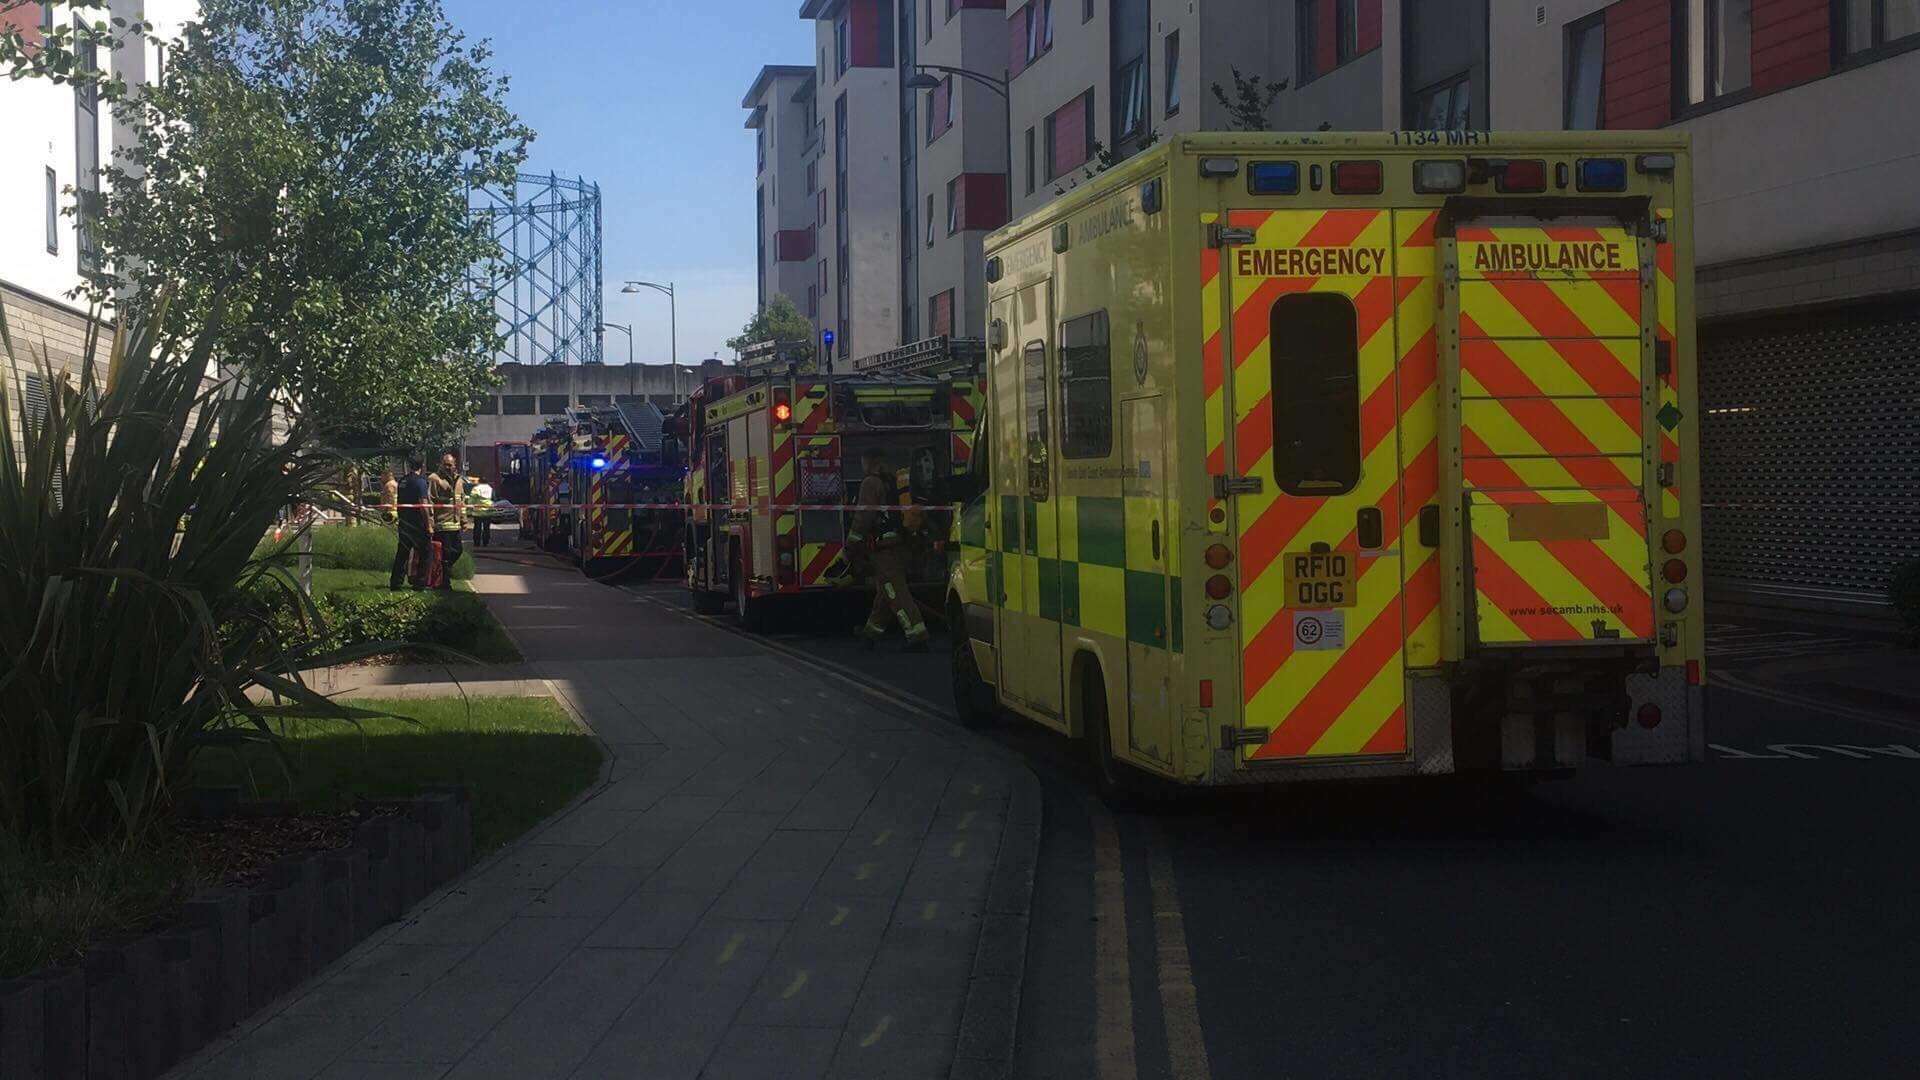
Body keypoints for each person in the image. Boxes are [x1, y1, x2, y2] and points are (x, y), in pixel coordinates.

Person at [847, 447, 928, 651]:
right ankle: (870, 634)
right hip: (901, 544)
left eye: (863, 461)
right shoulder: (894, 482)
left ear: (870, 462)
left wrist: (852, 543)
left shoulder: (870, 483)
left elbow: (863, 516)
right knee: (886, 591)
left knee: (895, 592)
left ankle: (917, 635)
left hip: (884, 548)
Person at [388, 458, 433, 590]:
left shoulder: (402, 481)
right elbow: (423, 504)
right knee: (426, 553)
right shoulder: (420, 482)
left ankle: (395, 583)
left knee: (402, 554)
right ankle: (420, 584)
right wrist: (429, 525)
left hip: (404, 522)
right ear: (422, 466)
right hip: (418, 524)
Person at [427, 453, 467, 590]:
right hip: (441, 524)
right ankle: (444, 583)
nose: (448, 467)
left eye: (450, 465)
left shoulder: (459, 481)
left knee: (458, 551)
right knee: (446, 554)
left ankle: (444, 573)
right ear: (440, 464)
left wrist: (464, 520)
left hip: (454, 524)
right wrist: (430, 523)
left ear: (455, 465)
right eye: (445, 464)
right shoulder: (435, 479)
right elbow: (430, 501)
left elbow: (461, 502)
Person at [467, 473, 495, 547]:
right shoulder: (490, 488)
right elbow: (494, 499)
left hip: (478, 512)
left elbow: (471, 500)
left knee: (477, 528)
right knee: (486, 528)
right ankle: (486, 542)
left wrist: (469, 509)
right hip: (488, 512)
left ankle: (477, 543)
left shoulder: (476, 488)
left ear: (479, 481)